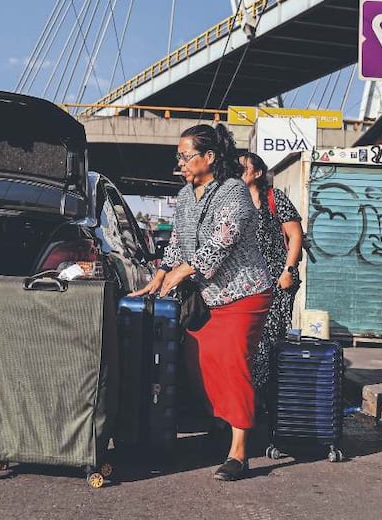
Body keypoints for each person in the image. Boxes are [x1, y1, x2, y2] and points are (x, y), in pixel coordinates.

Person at [130, 124, 271, 482]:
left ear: (209, 157)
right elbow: (178, 240)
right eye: (178, 156)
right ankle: (224, 427)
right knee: (200, 366)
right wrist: (162, 272)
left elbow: (228, 234)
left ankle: (240, 452)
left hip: (243, 293)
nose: (180, 162)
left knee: (232, 362)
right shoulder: (185, 194)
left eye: (186, 155)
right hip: (208, 298)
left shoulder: (233, 190)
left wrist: (186, 270)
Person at [237, 151, 305, 390]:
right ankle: (252, 389)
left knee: (270, 335)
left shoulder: (274, 197)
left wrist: (288, 270)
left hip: (277, 279)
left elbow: (296, 236)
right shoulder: (234, 201)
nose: (239, 172)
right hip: (246, 282)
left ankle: (267, 391)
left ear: (257, 173)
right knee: (249, 337)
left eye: (244, 168)